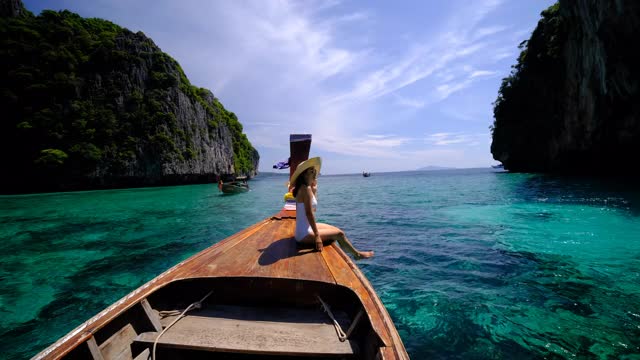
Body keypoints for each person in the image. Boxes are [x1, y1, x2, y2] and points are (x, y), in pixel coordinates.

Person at [291, 157, 374, 259]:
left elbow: (313, 210)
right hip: (304, 234)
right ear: (304, 174)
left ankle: (355, 254)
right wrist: (317, 236)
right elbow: (309, 213)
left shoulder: (305, 188)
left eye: (315, 171)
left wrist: (314, 191)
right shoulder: (305, 189)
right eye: (311, 171)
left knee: (336, 229)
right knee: (340, 234)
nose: (314, 173)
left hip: (303, 229)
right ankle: (357, 255)